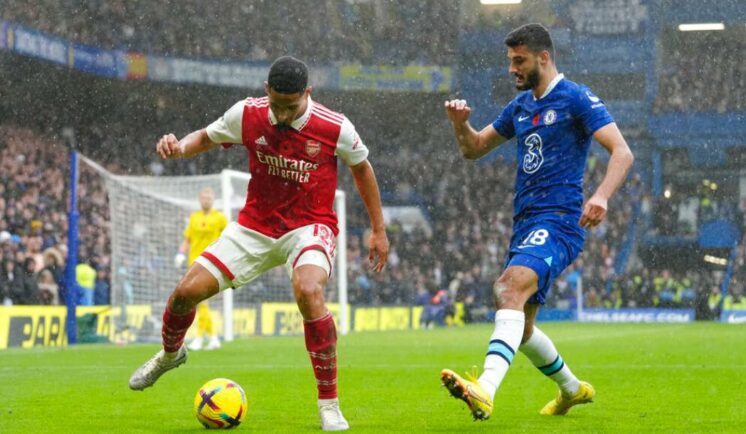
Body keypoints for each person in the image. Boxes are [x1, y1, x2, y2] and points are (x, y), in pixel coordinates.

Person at [128, 56, 389, 432]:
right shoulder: (246, 114)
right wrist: (180, 147)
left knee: (309, 289)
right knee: (185, 293)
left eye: (292, 106)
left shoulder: (335, 127)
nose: (282, 114)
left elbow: (362, 167)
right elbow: (206, 135)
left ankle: (329, 404)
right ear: (266, 91)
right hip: (254, 226)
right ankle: (170, 355)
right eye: (276, 104)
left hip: (310, 225)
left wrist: (378, 229)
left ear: (308, 94)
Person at [440, 23, 634, 421]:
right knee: (522, 328)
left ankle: (484, 390)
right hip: (525, 222)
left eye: (519, 60)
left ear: (543, 57)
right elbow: (475, 149)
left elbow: (622, 152)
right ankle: (572, 389)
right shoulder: (522, 106)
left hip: (560, 220)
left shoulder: (575, 98)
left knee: (507, 287)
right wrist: (460, 124)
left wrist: (601, 195)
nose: (512, 68)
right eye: (510, 61)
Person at [174, 187, 228, 351]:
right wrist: (180, 253)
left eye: (209, 196)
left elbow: (227, 239)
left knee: (199, 301)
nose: (206, 199)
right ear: (199, 199)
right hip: (194, 263)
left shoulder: (220, 218)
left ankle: (200, 337)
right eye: (204, 197)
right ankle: (212, 337)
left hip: (211, 262)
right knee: (199, 301)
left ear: (213, 199)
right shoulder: (194, 217)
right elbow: (187, 239)